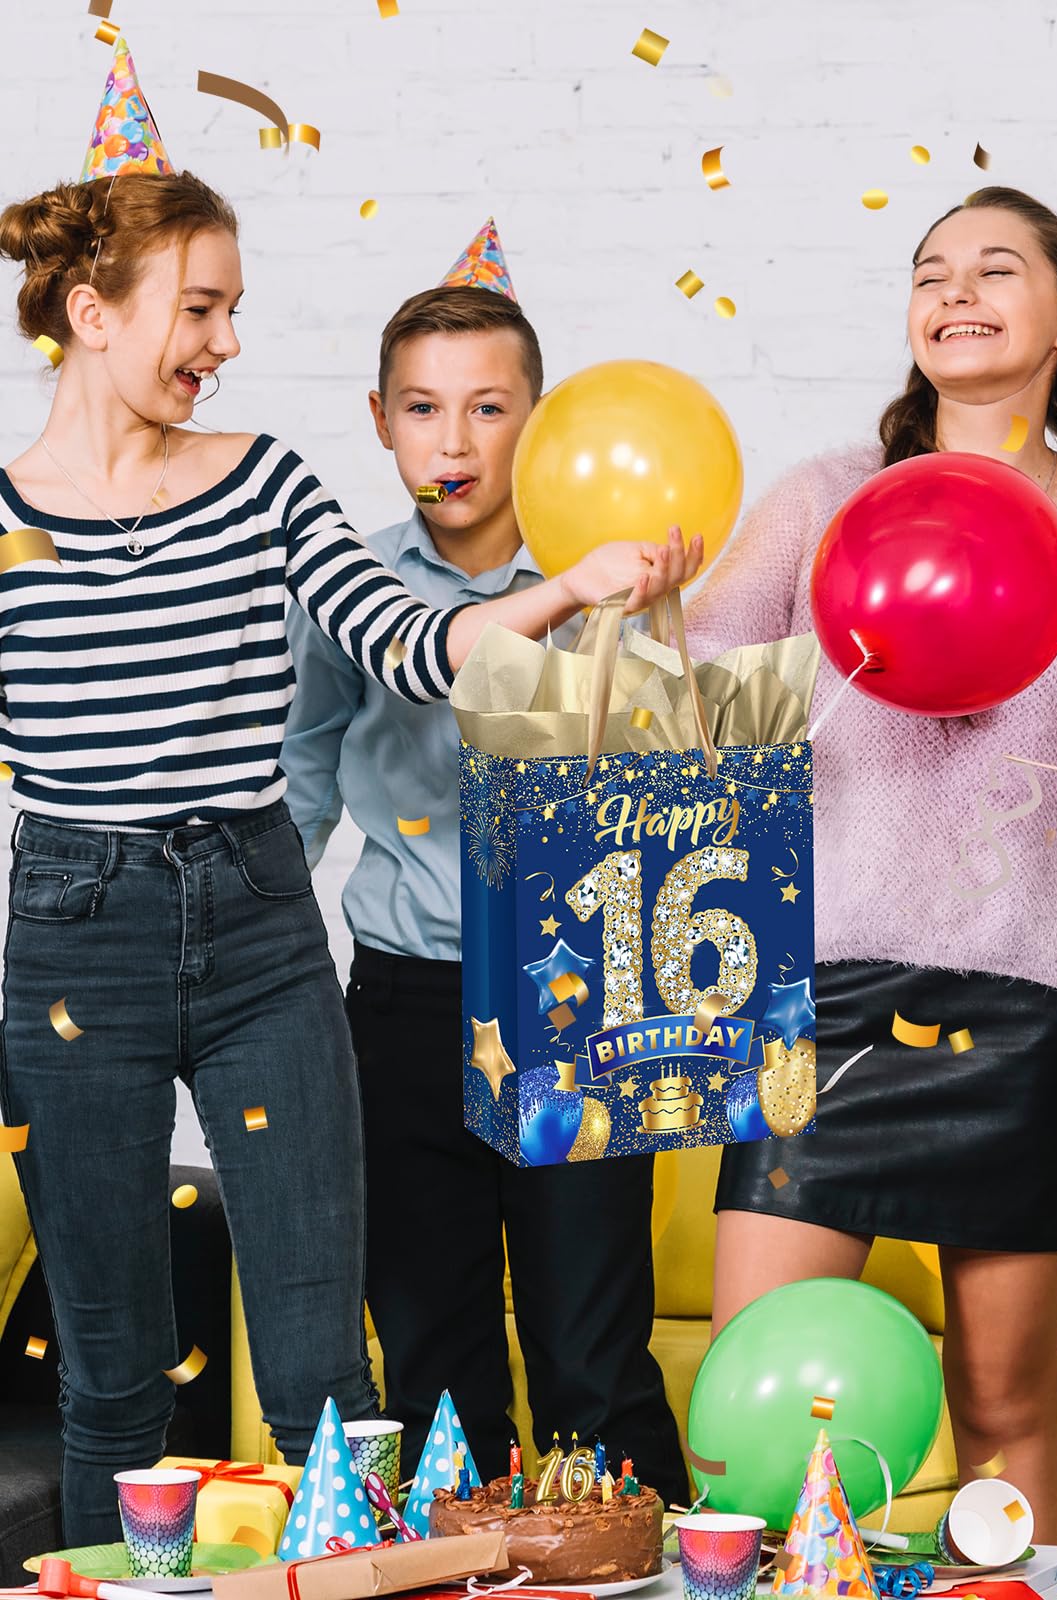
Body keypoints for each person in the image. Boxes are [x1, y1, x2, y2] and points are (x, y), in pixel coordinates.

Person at [0, 51, 695, 1541]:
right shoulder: (2, 522)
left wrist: (571, 582)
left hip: (261, 926)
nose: (228, 340)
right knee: (111, 1377)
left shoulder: (265, 481)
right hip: (75, 930)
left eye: (233, 307)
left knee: (329, 1377)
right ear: (92, 313)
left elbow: (416, 644)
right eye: (201, 308)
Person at [684, 186, 1057, 1541]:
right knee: (754, 1395)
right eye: (930, 272)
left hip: (1022, 1011)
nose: (955, 292)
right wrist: (665, 633)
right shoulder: (825, 497)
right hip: (827, 999)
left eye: (995, 269)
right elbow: (703, 689)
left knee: (1004, 1401)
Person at [282, 224, 690, 1501]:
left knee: (592, 1356)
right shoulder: (348, 589)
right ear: (381, 420)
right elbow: (296, 788)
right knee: (430, 1367)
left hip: (578, 997)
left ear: (540, 422)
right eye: (421, 407)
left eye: (487, 407)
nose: (451, 441)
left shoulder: (617, 585)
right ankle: (453, 1572)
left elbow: (676, 804)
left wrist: (658, 624)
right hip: (400, 1003)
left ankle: (638, 1567)